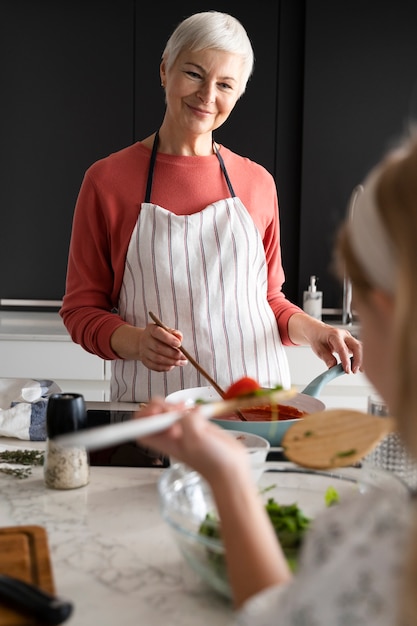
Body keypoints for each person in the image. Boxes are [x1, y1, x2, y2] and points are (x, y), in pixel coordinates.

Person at [135, 133, 417, 625]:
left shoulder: (372, 532)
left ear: (389, 313)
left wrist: (224, 476)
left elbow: (272, 299)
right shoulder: (112, 178)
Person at [60, 10, 361, 406]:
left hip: (258, 411)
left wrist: (315, 331)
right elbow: (82, 310)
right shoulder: (107, 181)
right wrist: (136, 343)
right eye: (194, 74)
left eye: (225, 84)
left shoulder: (258, 183)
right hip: (157, 414)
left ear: (238, 93)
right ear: (165, 70)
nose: (207, 96)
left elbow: (270, 300)